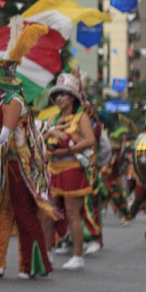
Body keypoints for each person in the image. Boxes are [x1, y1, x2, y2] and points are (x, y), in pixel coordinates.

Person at [0, 17, 55, 279]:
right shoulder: (5, 101)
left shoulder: (13, 100)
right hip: (5, 165)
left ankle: (33, 266)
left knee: (23, 214)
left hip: (15, 166)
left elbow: (5, 135)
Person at [41, 70, 97, 270]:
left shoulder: (80, 117)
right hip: (53, 170)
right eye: (56, 95)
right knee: (47, 214)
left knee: (73, 214)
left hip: (73, 169)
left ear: (72, 98)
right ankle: (47, 253)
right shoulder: (52, 120)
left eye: (62, 94)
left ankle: (78, 256)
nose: (58, 99)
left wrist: (70, 149)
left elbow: (91, 140)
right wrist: (49, 137)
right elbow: (42, 142)